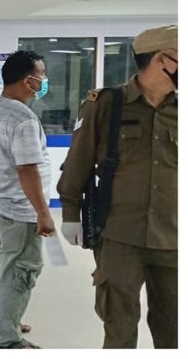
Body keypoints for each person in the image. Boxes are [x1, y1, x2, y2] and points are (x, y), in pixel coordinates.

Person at [56, 25, 176, 350]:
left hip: (176, 239)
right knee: (119, 328)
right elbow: (78, 160)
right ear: (163, 60)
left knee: (175, 331)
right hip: (120, 237)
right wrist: (70, 212)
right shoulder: (106, 103)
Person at [0, 50, 54, 350]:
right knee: (21, 270)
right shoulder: (23, 119)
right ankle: (8, 338)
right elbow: (27, 168)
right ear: (28, 80)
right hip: (19, 211)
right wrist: (43, 213)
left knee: (0, 267)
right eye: (42, 74)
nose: (44, 80)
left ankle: (1, 320)